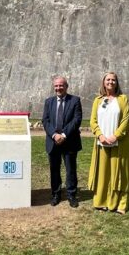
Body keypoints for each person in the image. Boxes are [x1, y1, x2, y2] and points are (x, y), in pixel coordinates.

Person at [88, 71, 129, 214]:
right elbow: (93, 121)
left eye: (113, 80)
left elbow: (126, 120)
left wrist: (115, 136)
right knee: (103, 172)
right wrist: (100, 135)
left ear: (117, 83)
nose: (110, 82)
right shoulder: (98, 100)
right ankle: (101, 201)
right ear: (103, 82)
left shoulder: (123, 99)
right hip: (102, 143)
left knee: (119, 172)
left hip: (119, 143)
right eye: (108, 79)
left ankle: (120, 204)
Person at [42, 76, 83, 207]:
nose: (58, 88)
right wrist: (55, 135)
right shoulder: (49, 102)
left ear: (66, 86)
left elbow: (77, 120)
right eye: (56, 86)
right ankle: (56, 194)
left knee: (71, 170)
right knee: (54, 169)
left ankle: (71, 195)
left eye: (61, 85)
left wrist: (64, 135)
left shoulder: (75, 100)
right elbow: (45, 121)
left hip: (69, 141)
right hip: (53, 141)